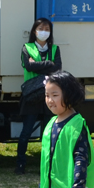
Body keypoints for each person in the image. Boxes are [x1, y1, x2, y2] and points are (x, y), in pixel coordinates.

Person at [37, 71, 94, 188]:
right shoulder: (50, 124)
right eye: (47, 95)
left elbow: (81, 160)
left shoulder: (76, 125)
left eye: (54, 95)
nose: (49, 100)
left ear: (69, 95)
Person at [16, 18, 63, 175]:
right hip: (32, 95)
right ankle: (20, 164)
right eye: (41, 28)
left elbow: (57, 69)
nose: (44, 31)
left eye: (47, 29)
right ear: (34, 31)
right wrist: (48, 65)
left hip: (50, 96)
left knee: (50, 132)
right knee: (26, 132)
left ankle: (49, 165)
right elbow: (28, 65)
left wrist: (38, 65)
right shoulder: (26, 47)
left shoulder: (55, 49)